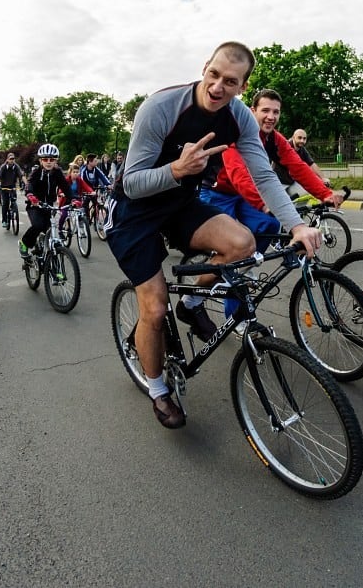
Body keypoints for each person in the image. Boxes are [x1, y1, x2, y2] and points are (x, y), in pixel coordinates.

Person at [106, 41, 322, 429]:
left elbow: (264, 176)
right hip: (135, 213)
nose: (219, 86)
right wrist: (176, 169)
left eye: (231, 81)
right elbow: (133, 183)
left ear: (243, 87)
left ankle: (190, 304)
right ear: (205, 68)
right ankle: (157, 389)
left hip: (181, 206)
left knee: (243, 244)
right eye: (214, 75)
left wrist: (297, 225)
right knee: (154, 308)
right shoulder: (160, 108)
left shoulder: (239, 117)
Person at [202, 88, 344, 334]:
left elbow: (298, 167)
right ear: (252, 111)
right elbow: (239, 175)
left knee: (267, 226)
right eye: (265, 110)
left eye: (275, 112)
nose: (271, 116)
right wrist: (265, 203)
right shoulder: (237, 133)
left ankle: (243, 267)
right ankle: (210, 298)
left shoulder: (275, 140)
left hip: (242, 195)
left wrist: (325, 194)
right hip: (217, 193)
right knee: (235, 244)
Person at [19, 144, 73, 257]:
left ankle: (51, 261)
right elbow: (30, 185)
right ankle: (24, 243)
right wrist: (30, 195)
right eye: (45, 159)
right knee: (38, 225)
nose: (48, 162)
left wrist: (74, 199)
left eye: (52, 159)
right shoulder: (36, 172)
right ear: (40, 161)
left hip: (49, 206)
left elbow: (66, 187)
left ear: (55, 161)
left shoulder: (57, 173)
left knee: (51, 231)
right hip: (35, 206)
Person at [0, 153, 25, 228]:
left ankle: (13, 209)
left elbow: (21, 175)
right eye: (10, 159)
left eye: (13, 159)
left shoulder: (16, 166)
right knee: (5, 203)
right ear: (7, 159)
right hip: (4, 187)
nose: (12, 160)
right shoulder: (3, 167)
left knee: (14, 201)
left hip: (12, 187)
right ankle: (4, 220)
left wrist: (26, 184)